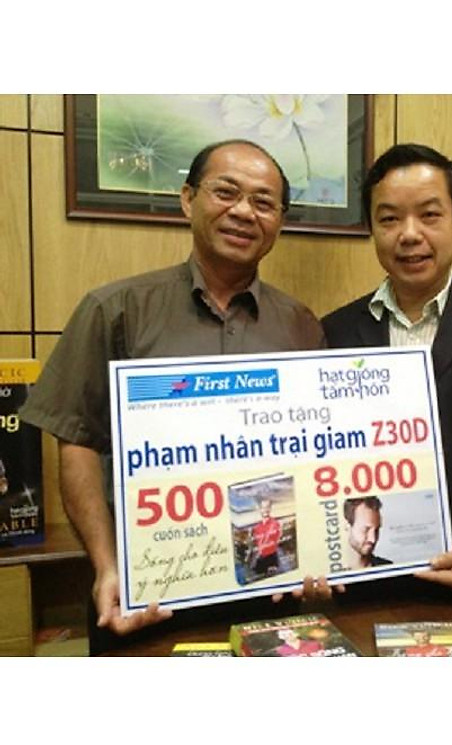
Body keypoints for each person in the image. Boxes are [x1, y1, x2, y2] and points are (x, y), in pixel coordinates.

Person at [19, 139, 329, 653]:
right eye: (226, 192)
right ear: (188, 199)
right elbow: (76, 443)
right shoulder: (115, 310)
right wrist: (107, 567)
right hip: (147, 595)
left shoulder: (300, 325)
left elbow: (320, 454)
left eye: (263, 202)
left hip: (268, 593)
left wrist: (321, 554)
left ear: (279, 221)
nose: (243, 212)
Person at [323, 143, 452, 593]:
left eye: (430, 215)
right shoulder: (332, 332)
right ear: (372, 228)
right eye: (390, 219)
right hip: (362, 589)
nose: (409, 234)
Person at [342, 495, 392, 569]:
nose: (373, 539)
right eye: (366, 530)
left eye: (376, 530)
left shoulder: (388, 567)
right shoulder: (328, 571)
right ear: (348, 526)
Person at [248, 498, 282, 577]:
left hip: (272, 558)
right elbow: (254, 544)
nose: (265, 510)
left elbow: (276, 540)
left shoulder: (275, 524)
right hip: (260, 559)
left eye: (267, 507)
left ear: (270, 508)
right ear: (260, 509)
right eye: (263, 507)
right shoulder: (256, 527)